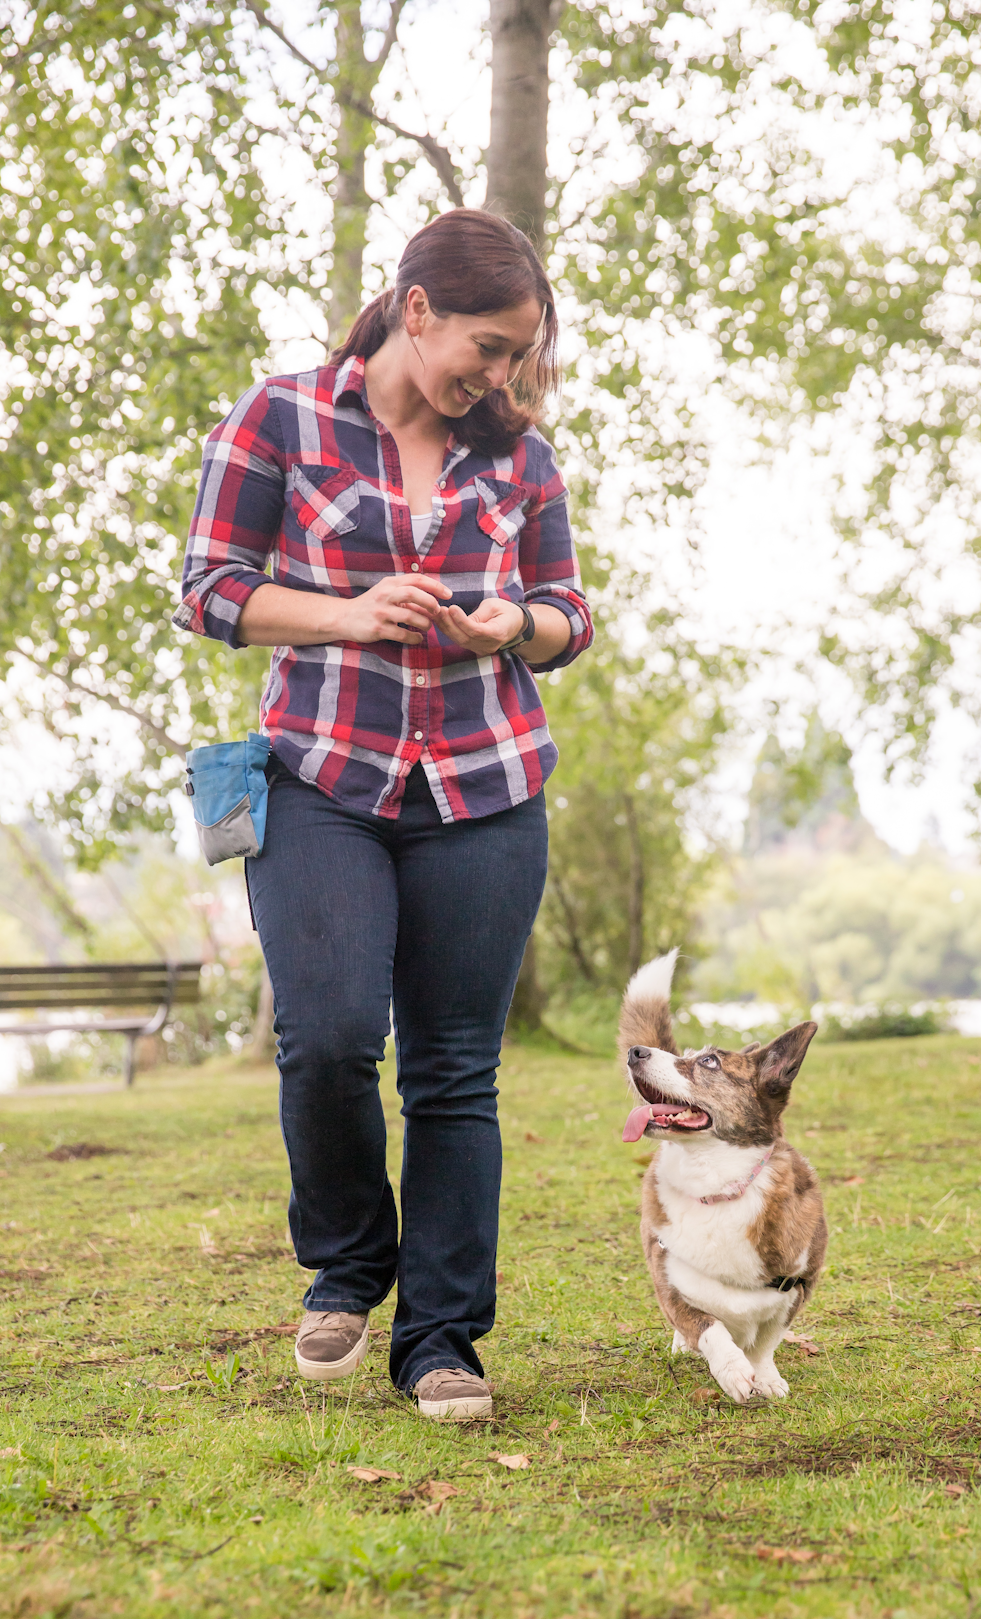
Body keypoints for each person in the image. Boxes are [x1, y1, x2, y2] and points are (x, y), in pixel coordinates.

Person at [174, 209, 593, 1420]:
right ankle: (349, 1262)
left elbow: (569, 610)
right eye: (489, 344)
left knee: (457, 1072)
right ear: (417, 310)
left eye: (518, 355)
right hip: (323, 779)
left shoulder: (520, 454)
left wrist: (516, 624)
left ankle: (444, 1338)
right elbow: (210, 590)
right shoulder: (284, 416)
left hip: (486, 786)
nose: (500, 374)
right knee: (331, 1033)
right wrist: (354, 611)